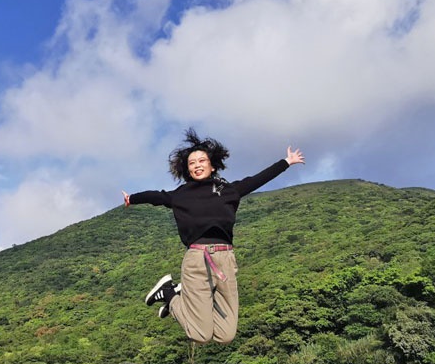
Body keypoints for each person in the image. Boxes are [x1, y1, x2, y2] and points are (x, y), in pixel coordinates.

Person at [123, 129, 304, 344]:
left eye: (202, 160)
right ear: (187, 169)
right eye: (191, 163)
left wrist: (286, 161)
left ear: (212, 165)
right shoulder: (180, 195)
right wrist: (132, 199)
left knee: (225, 335)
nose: (197, 165)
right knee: (200, 335)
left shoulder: (229, 190)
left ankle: (186, 296)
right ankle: (170, 295)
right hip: (196, 260)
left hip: (225, 261)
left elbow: (258, 180)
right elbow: (156, 196)